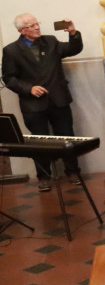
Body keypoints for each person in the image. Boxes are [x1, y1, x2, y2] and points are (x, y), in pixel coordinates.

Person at [2, 15, 84, 191]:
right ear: (22, 31)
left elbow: (73, 49)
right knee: (39, 142)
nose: (37, 28)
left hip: (58, 99)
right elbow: (9, 78)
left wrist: (73, 33)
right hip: (33, 104)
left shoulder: (51, 41)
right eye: (31, 26)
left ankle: (73, 172)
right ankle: (44, 177)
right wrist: (29, 88)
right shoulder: (11, 51)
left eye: (37, 23)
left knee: (67, 136)